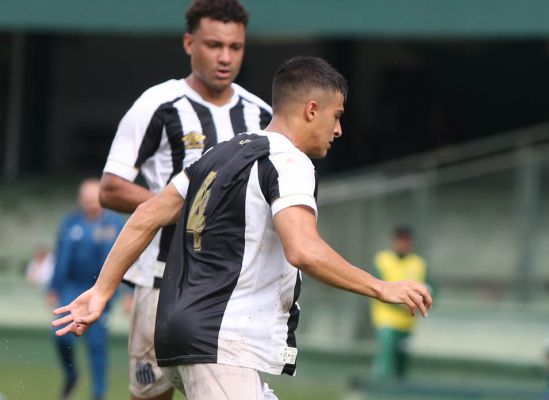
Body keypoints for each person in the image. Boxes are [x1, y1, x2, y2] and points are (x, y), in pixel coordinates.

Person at [54, 56, 432, 400]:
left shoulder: (220, 153)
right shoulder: (290, 163)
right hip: (221, 344)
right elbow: (304, 250)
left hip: (179, 335)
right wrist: (382, 287)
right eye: (337, 116)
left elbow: (147, 215)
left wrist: (102, 291)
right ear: (312, 110)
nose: (339, 130)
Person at [98, 1, 270, 398]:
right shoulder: (158, 105)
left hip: (233, 288)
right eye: (213, 45)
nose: (225, 57)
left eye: (235, 47)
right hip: (162, 279)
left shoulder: (260, 116)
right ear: (189, 42)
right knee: (151, 394)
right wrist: (183, 207)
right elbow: (111, 187)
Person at [48, 179, 124, 400]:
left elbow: (127, 258)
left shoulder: (115, 224)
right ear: (81, 201)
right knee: (61, 336)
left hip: (101, 290)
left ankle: (98, 395)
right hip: (72, 288)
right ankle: (71, 374)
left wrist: (128, 293)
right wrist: (54, 287)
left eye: (95, 199)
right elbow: (61, 257)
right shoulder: (70, 224)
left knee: (97, 345)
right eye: (87, 200)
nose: (91, 204)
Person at [370, 226, 431, 380]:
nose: (402, 244)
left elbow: (430, 286)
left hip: (408, 323)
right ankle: (378, 390)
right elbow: (377, 287)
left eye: (406, 241)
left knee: (402, 364)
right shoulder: (383, 260)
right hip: (387, 321)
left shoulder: (418, 264)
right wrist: (402, 304)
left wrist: (425, 299)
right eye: (400, 240)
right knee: (386, 359)